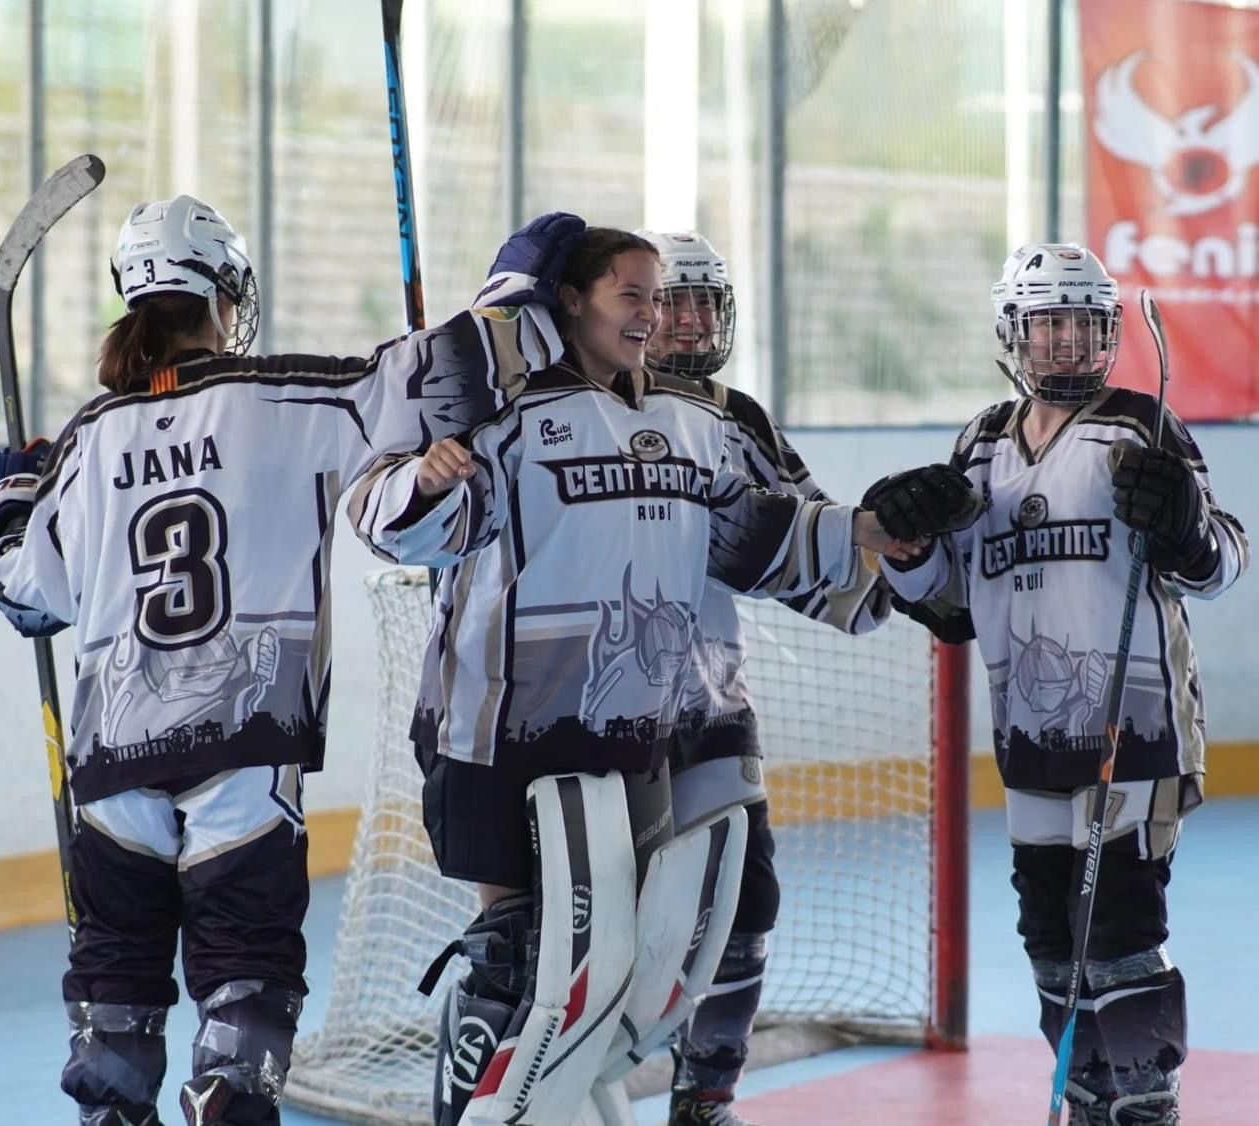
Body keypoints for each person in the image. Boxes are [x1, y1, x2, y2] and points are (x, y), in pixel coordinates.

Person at [0, 196, 575, 1126]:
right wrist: (526, 285)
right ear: (223, 295)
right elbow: (448, 373)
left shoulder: (87, 442)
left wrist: (9, 493)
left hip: (111, 761)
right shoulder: (278, 395)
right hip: (244, 746)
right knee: (244, 989)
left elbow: (21, 595)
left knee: (114, 992)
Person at [349, 224, 920, 1125]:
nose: (660, 318)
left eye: (668, 300)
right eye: (638, 296)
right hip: (501, 733)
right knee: (519, 962)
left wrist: (873, 534)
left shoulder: (700, 427)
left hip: (644, 737)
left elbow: (759, 536)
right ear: (569, 302)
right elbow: (399, 523)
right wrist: (425, 480)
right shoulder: (511, 415)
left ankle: (680, 1100)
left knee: (627, 966)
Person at [868, 243, 1248, 1126]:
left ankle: (1144, 1102)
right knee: (1049, 936)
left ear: (1109, 332)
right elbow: (951, 607)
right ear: (1017, 333)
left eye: (1084, 324)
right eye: (1050, 325)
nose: (1068, 344)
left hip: (1135, 731)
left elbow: (1220, 560)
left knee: (1117, 932)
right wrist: (911, 550)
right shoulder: (980, 445)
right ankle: (1090, 1094)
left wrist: (1185, 528)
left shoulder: (1143, 426)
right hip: (1030, 743)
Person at [638, 229, 889, 1125]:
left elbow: (819, 543)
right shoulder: (581, 405)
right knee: (583, 921)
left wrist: (897, 552)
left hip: (707, 702)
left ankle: (703, 1094)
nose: (693, 320)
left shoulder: (736, 418)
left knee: (745, 903)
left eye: (708, 301)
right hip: (588, 715)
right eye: (674, 302)